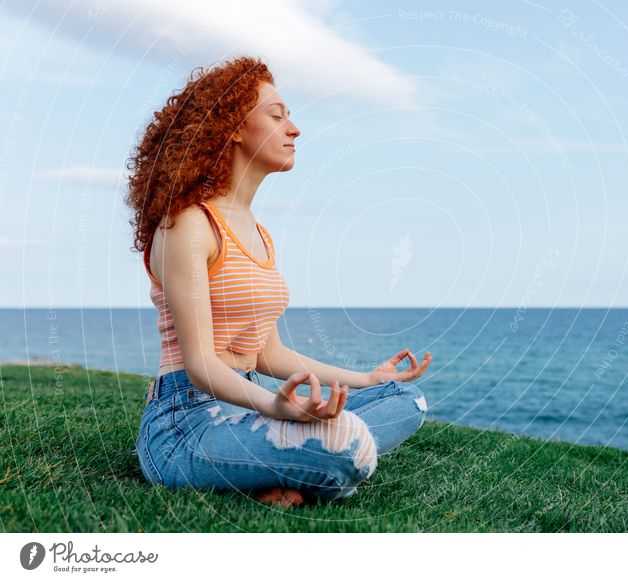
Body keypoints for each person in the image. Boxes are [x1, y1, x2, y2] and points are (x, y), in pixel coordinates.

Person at [124, 55, 433, 507]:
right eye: (277, 115)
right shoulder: (187, 224)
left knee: (406, 400)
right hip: (185, 422)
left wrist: (366, 379)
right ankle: (298, 466)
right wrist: (274, 407)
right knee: (349, 440)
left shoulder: (258, 232)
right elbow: (201, 364)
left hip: (244, 405)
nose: (294, 128)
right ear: (232, 127)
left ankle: (283, 470)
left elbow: (268, 353)